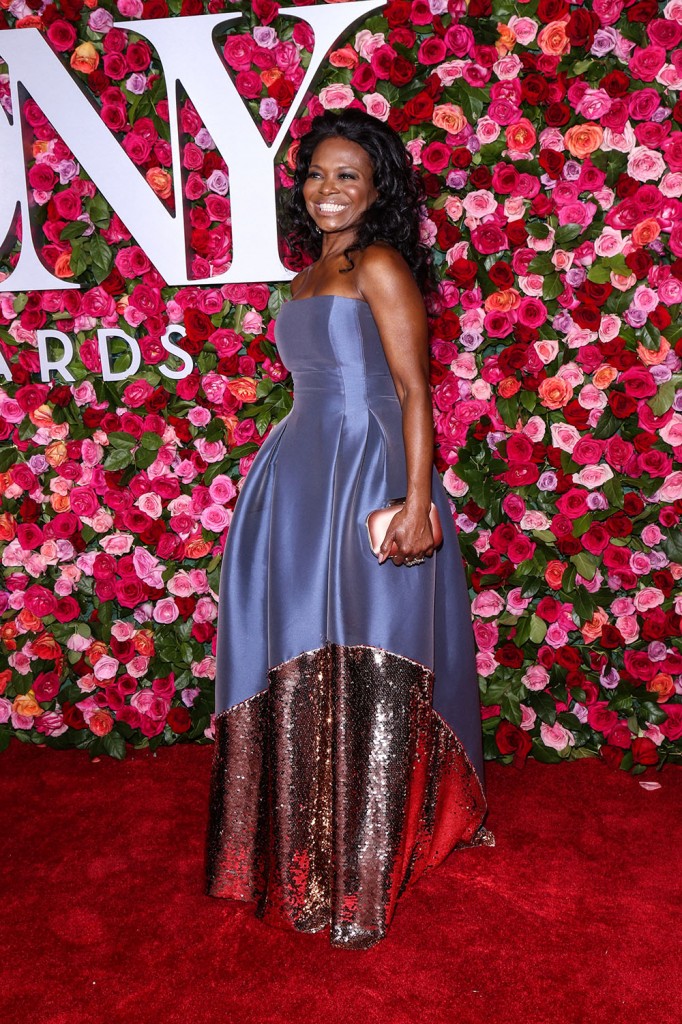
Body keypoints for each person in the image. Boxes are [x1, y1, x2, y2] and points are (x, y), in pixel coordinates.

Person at [205, 109, 491, 950]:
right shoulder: (307, 274)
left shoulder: (379, 264)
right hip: (297, 469)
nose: (328, 191)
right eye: (317, 175)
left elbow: (410, 391)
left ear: (377, 189)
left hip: (364, 470)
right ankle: (301, 848)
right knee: (299, 639)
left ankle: (359, 864)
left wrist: (415, 503)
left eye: (348, 177)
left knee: (372, 645)